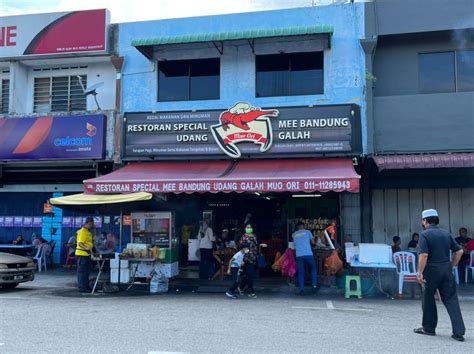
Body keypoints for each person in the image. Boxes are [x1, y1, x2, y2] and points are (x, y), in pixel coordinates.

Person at [414, 209, 465, 342]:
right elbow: (459, 251)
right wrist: (451, 266)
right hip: (446, 270)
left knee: (428, 298)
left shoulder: (424, 235)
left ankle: (429, 328)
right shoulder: (446, 233)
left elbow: (424, 255)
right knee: (451, 299)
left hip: (430, 271)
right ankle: (459, 332)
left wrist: (419, 272)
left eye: (422, 220)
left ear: (425, 221)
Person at [292, 222, 317, 295]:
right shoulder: (308, 232)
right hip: (308, 254)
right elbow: (313, 242)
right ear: (303, 226)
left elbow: (293, 245)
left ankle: (301, 289)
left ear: (297, 228)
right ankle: (314, 286)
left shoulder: (294, 234)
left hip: (299, 255)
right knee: (313, 269)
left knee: (300, 272)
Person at [75, 217, 95, 293]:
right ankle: (82, 287)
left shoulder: (88, 232)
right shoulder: (83, 231)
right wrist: (88, 249)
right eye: (91, 224)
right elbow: (80, 243)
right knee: (82, 271)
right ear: (87, 223)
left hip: (87, 254)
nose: (92, 226)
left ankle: (86, 286)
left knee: (86, 271)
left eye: (92, 224)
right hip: (82, 253)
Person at [238, 224, 258, 298]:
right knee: (250, 275)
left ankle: (241, 287)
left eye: (250, 227)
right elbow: (240, 247)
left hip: (253, 257)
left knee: (248, 274)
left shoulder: (254, 236)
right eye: (247, 227)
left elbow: (255, 246)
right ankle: (250, 292)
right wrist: (242, 259)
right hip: (246, 258)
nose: (249, 228)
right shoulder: (243, 237)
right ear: (245, 228)